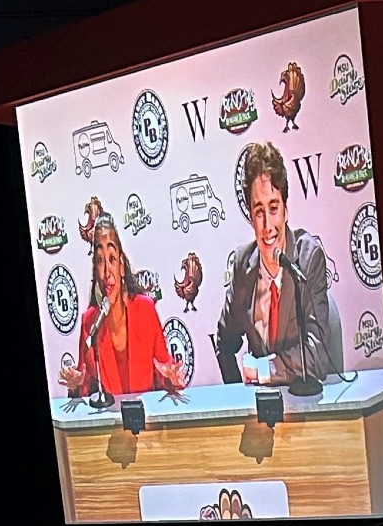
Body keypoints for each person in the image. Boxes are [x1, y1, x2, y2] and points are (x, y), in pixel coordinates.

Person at [215, 141, 332, 385]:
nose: (268, 226)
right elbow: (225, 343)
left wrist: (261, 370)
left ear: (286, 210)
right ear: (250, 217)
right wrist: (239, 397)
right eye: (259, 211)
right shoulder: (242, 266)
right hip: (262, 413)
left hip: (306, 407)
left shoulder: (309, 258)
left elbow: (318, 355)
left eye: (273, 208)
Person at [57, 213, 187, 397]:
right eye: (100, 261)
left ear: (122, 266)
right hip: (111, 424)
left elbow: (164, 372)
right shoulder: (89, 322)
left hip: (146, 420)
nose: (107, 272)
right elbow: (83, 386)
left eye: (111, 259)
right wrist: (74, 386)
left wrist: (172, 380)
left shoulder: (145, 310)